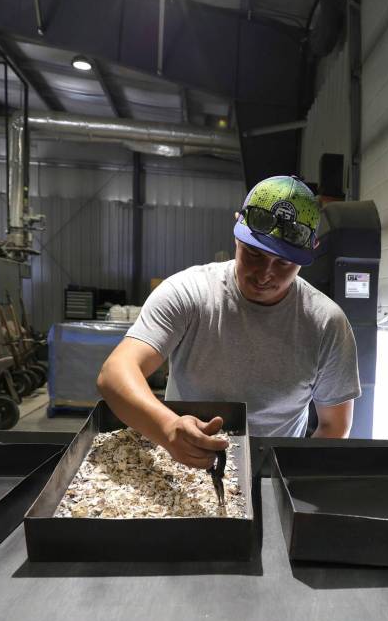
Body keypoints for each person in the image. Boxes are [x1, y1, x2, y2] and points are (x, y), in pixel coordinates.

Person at [97, 175, 360, 467]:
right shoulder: (190, 293)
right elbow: (115, 372)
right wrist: (167, 428)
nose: (264, 274)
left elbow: (334, 426)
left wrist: (290, 483)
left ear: (310, 251)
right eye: (254, 254)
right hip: (184, 462)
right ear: (237, 232)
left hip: (270, 472)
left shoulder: (326, 324)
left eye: (284, 263)